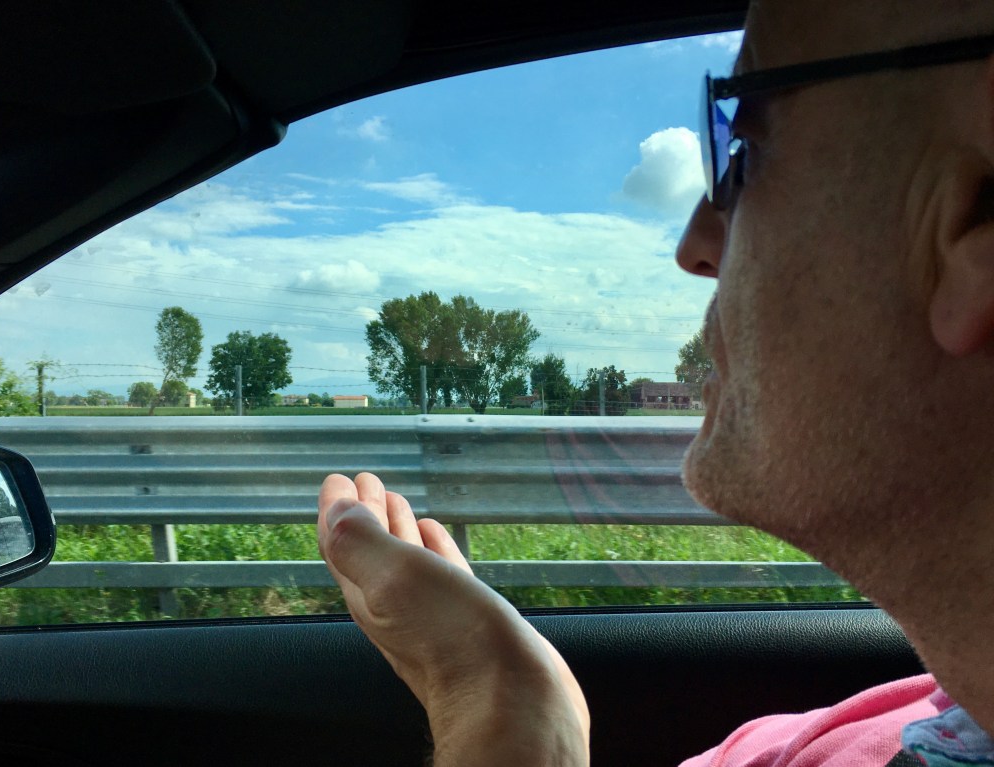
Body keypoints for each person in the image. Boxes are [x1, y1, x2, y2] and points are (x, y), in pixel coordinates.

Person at [317, 1, 994, 764]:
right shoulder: (904, 717)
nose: (695, 245)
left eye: (741, 145)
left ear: (974, 217)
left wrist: (505, 718)